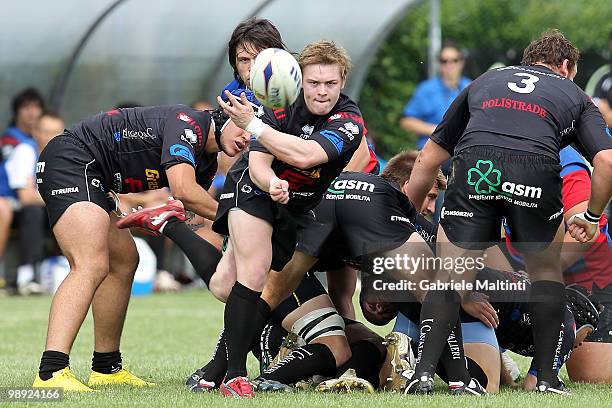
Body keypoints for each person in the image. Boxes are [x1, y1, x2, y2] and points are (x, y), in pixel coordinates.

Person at [405, 29, 612, 395]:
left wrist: (408, 213)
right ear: (566, 67)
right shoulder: (575, 95)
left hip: (476, 164)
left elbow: (428, 158)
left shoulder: (486, 80)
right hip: (533, 171)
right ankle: (546, 380)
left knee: (450, 273)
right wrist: (593, 217)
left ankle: (422, 377)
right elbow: (607, 161)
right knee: (546, 272)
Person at [32, 104, 250, 391]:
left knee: (124, 259)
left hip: (96, 176)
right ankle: (51, 372)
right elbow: (186, 192)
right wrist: (243, 220)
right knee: (90, 264)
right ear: (228, 116)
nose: (249, 139)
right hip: (71, 159)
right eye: (246, 128)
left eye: (254, 134)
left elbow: (191, 211)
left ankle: (106, 368)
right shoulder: (189, 123)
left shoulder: (206, 161)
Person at [208, 39, 362, 398]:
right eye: (313, 83)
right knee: (255, 272)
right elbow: (258, 165)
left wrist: (255, 125)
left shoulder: (349, 119)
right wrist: (273, 181)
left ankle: (216, 368)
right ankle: (233, 376)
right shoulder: (280, 108)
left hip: (299, 211)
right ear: (300, 81)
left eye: (330, 84)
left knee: (222, 285)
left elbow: (309, 155)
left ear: (342, 82)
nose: (322, 92)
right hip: (257, 193)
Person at [5, 112, 64, 295]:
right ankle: (26, 276)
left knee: (73, 211)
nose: (50, 137)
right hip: (16, 211)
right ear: (35, 132)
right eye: (46, 131)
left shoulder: (65, 156)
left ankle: (68, 270)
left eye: (56, 132)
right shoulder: (26, 151)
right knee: (33, 211)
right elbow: (26, 197)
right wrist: (61, 194)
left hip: (51, 209)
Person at [0, 88, 44, 293]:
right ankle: (23, 276)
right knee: (27, 210)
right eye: (26, 107)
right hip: (9, 199)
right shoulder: (15, 143)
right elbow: (24, 195)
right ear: (16, 111)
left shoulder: (35, 144)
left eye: (36, 107)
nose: (32, 112)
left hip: (24, 201)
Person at [400, 40, 471, 150]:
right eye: (444, 61)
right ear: (439, 64)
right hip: (432, 154)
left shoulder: (471, 87)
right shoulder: (426, 89)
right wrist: (438, 131)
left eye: (454, 60)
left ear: (461, 62)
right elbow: (406, 122)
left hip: (464, 152)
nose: (449, 65)